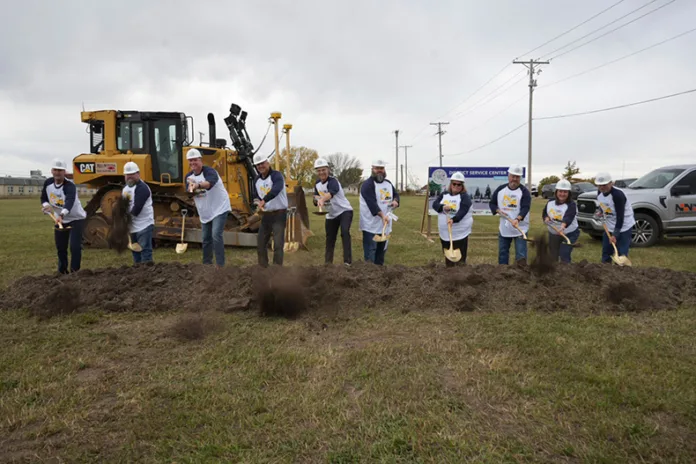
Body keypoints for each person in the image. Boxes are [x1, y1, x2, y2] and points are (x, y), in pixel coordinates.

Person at [185, 148, 232, 267]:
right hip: (205, 212)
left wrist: (198, 185)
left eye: (195, 160)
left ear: (200, 160)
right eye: (190, 161)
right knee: (205, 238)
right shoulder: (189, 177)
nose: (193, 163)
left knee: (216, 235)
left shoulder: (209, 171)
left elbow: (209, 184)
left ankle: (220, 266)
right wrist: (190, 189)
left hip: (219, 207)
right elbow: (189, 191)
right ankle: (207, 265)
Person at [40, 158, 87, 274]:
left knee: (75, 247)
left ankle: (75, 272)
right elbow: (44, 198)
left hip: (76, 219)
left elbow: (69, 202)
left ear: (64, 172)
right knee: (61, 247)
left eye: (60, 170)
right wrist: (46, 206)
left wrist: (61, 214)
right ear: (51, 171)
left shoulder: (69, 186)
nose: (57, 173)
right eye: (55, 170)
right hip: (59, 219)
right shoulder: (48, 183)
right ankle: (62, 271)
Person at [313, 158, 354, 266]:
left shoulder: (333, 181)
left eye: (323, 170)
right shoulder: (317, 184)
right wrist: (317, 201)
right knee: (330, 238)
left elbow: (331, 193)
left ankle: (347, 262)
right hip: (331, 215)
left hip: (344, 210)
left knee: (345, 232)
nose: (321, 172)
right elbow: (316, 197)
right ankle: (328, 264)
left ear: (328, 170)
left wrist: (322, 199)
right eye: (319, 170)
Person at [489, 164, 532, 266]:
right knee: (503, 253)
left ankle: (521, 275)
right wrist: (497, 210)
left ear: (520, 178)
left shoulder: (524, 192)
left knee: (521, 255)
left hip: (520, 228)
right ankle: (502, 274)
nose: (514, 179)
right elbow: (492, 203)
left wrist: (518, 219)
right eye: (513, 176)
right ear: (509, 176)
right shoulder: (500, 190)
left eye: (517, 177)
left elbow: (525, 207)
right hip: (504, 228)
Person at [359, 159, 399, 265]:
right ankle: (369, 276)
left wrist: (395, 201)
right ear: (372, 169)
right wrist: (382, 215)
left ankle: (380, 275)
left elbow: (396, 194)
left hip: (384, 225)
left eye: (381, 168)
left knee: (381, 253)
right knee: (371, 253)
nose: (379, 171)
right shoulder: (367, 185)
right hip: (370, 226)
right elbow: (372, 204)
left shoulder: (388, 183)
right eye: (377, 168)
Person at [252, 152, 288, 267]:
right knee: (261, 243)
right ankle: (263, 268)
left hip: (279, 214)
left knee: (278, 244)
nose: (260, 166)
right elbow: (255, 195)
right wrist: (257, 202)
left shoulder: (276, 176)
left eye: (262, 163)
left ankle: (277, 269)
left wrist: (264, 200)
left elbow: (276, 190)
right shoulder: (256, 180)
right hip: (266, 215)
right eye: (257, 165)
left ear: (267, 163)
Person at [432, 172, 473, 266]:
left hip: (460, 233)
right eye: (454, 184)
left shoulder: (465, 197)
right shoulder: (444, 194)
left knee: (460, 258)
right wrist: (442, 207)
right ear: (451, 184)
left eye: (459, 184)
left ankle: (461, 275)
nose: (456, 186)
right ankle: (449, 274)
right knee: (448, 256)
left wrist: (454, 219)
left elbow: (463, 211)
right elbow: (435, 205)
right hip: (445, 233)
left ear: (462, 186)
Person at [595, 172, 635, 264]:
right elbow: (603, 204)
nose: (602, 188)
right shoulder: (600, 192)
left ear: (611, 183)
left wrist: (615, 235)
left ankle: (620, 273)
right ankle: (605, 270)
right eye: (599, 185)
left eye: (604, 185)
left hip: (624, 226)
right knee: (606, 251)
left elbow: (620, 217)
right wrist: (599, 212)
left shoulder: (618, 195)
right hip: (609, 225)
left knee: (621, 253)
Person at [122, 161, 155, 264]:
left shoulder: (142, 188)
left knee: (145, 251)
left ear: (138, 174)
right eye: (128, 175)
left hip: (144, 224)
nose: (129, 177)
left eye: (132, 174)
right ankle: (137, 273)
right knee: (135, 250)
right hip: (133, 226)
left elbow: (137, 209)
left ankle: (148, 273)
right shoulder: (125, 189)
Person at [542, 179, 579, 263]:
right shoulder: (550, 202)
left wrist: (562, 227)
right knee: (553, 255)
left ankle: (565, 273)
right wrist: (546, 217)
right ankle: (554, 273)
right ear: (556, 192)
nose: (562, 194)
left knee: (564, 254)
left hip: (569, 233)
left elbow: (568, 217)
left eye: (565, 192)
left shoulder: (571, 205)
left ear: (569, 193)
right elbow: (544, 213)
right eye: (560, 191)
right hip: (554, 232)